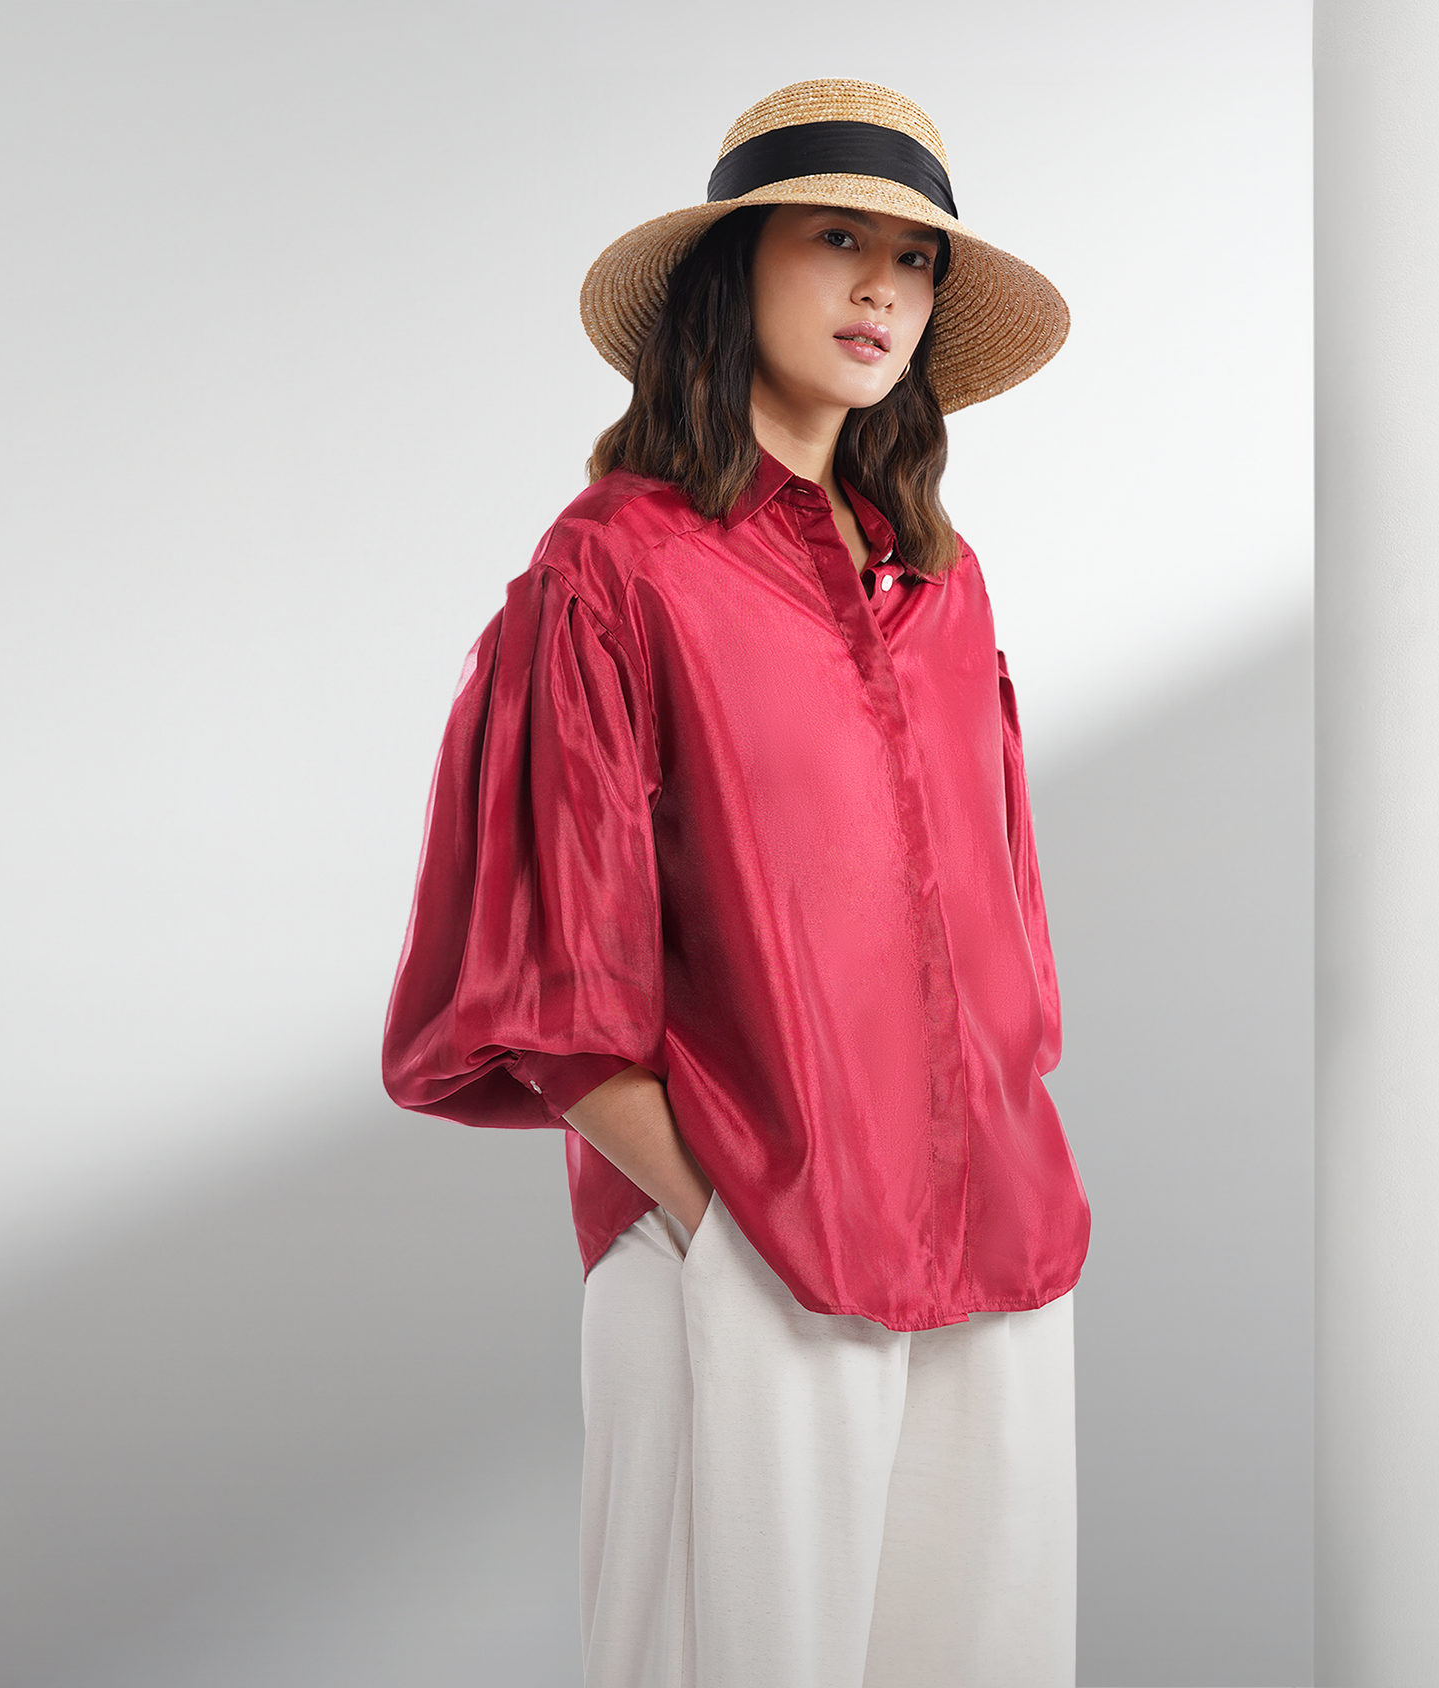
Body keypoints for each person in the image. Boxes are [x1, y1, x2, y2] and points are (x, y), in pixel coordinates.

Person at [380, 79, 1087, 1688]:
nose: (881, 288)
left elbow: (997, 939)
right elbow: (543, 984)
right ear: (734, 268)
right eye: (837, 240)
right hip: (750, 1250)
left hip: (992, 1254)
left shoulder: (944, 586)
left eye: (915, 260)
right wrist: (724, 1223)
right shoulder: (613, 568)